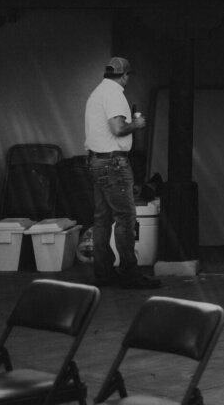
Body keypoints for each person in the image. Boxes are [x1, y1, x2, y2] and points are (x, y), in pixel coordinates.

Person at [84, 57, 159, 289]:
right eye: (127, 76)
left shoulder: (97, 92)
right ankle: (129, 273)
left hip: (97, 161)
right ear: (125, 75)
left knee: (102, 219)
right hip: (114, 162)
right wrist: (136, 125)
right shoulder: (115, 93)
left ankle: (104, 273)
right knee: (126, 217)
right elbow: (117, 128)